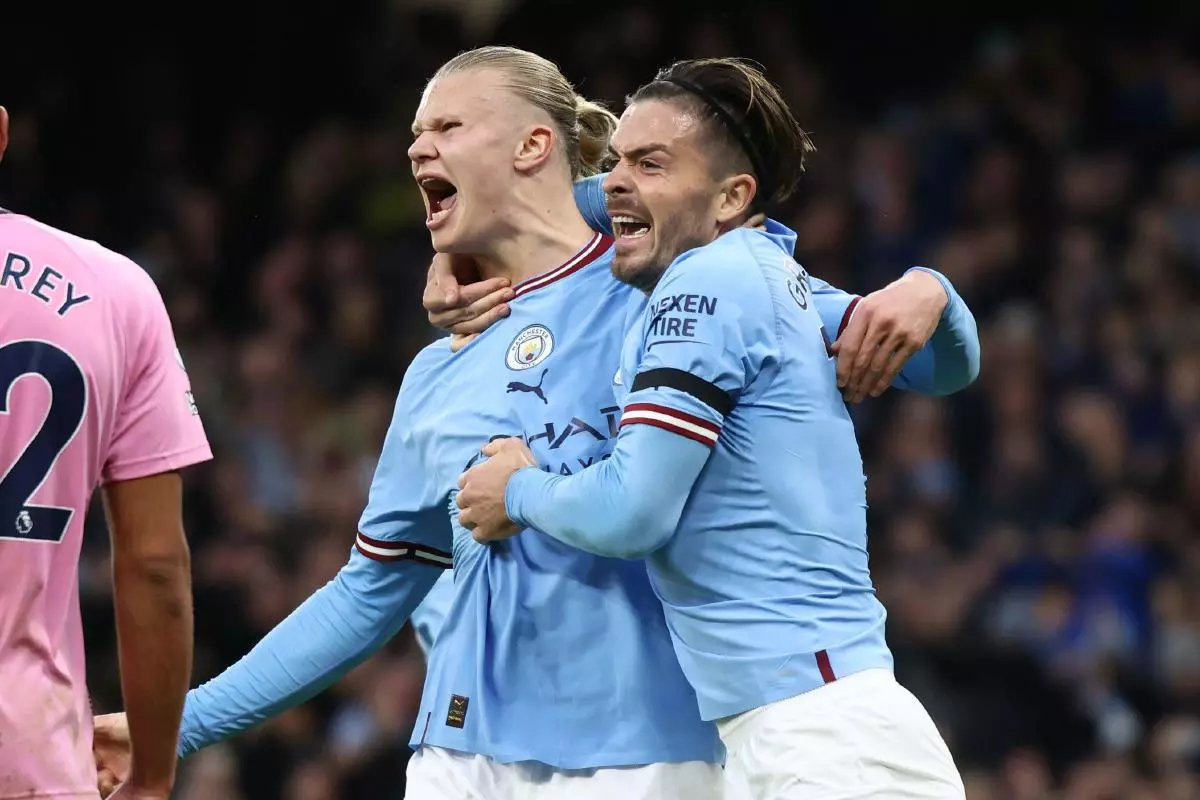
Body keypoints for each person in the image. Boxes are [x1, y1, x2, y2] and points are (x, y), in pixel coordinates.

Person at [92, 47, 973, 800]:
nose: (416, 146)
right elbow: (367, 592)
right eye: (413, 133)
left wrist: (929, 289)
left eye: (445, 128)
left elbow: (911, 349)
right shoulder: (438, 368)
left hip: (656, 756)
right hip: (458, 753)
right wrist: (183, 722)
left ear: (532, 144)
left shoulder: (675, 282)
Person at [456, 59, 973, 799]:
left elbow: (633, 512)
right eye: (616, 163)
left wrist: (518, 490)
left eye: (651, 163)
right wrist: (470, 245)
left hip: (826, 743)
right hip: (789, 733)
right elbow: (950, 369)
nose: (618, 184)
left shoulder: (706, 283)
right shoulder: (766, 279)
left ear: (733, 197)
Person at [0, 105, 208, 800]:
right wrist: (152, 773)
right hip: (29, 755)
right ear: (1, 134)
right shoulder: (115, 289)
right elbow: (153, 564)